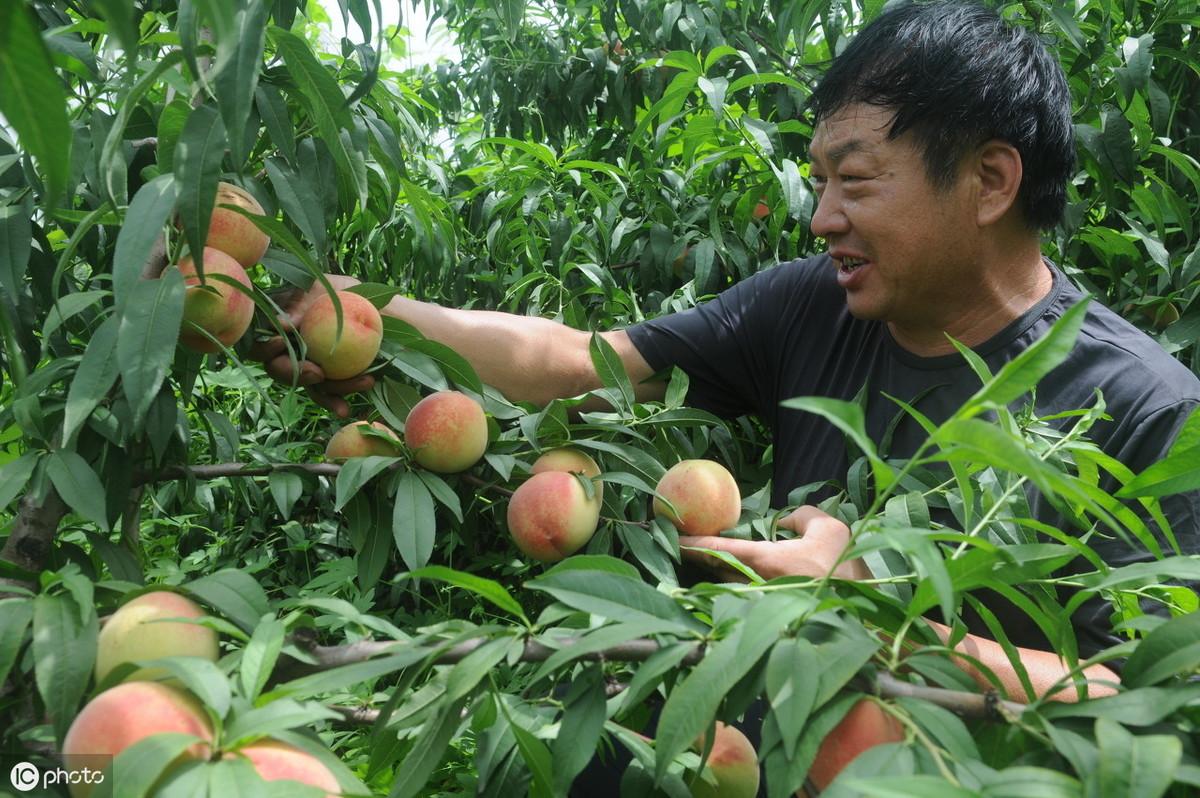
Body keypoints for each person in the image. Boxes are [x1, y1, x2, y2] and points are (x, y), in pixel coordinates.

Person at [255, 0, 1198, 787]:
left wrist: (875, 616)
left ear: (990, 180)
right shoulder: (812, 307)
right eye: (819, 181)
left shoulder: (1151, 412)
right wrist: (360, 313)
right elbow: (575, 362)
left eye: (856, 182)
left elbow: (1160, 712)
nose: (824, 217)